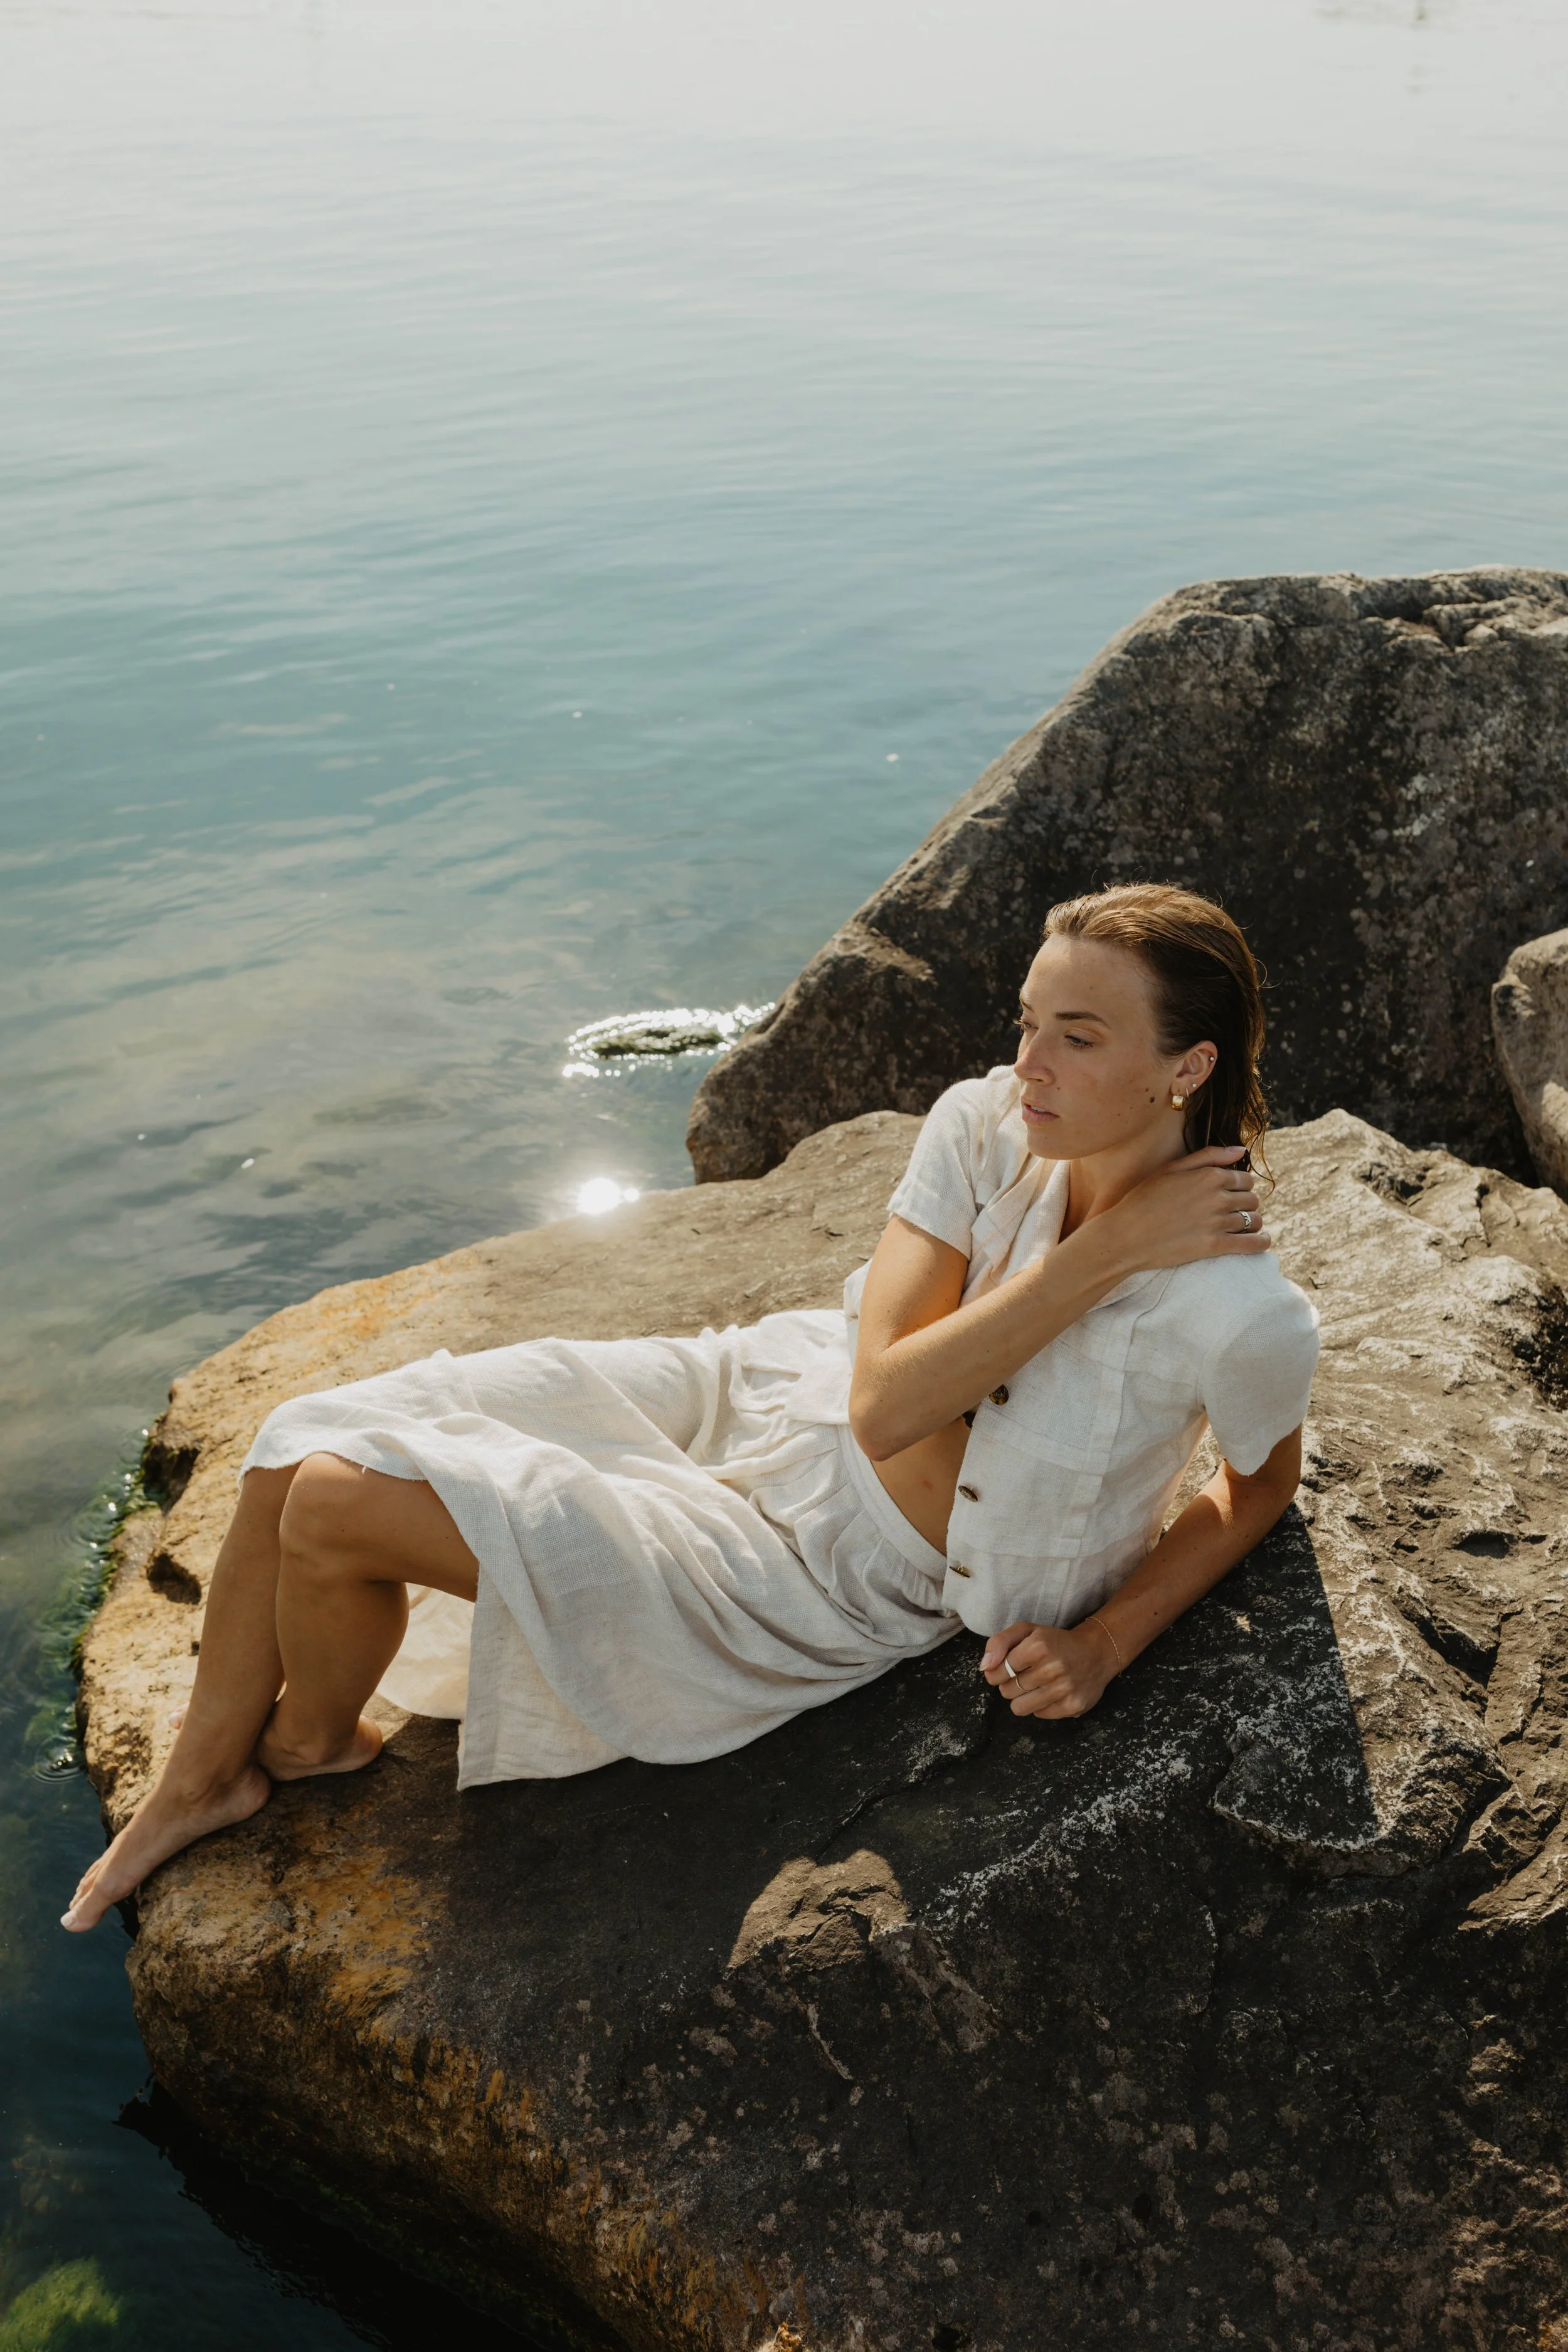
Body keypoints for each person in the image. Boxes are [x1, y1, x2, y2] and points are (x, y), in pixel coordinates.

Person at [63, 882, 1317, 1932]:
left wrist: (1106, 1644)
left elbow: (1259, 1486)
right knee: (301, 1439)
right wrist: (1101, 1251)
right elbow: (878, 1389)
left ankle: (302, 1749)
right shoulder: (985, 1123)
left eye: (1077, 1039)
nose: (1027, 1064)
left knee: (338, 1504)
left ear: (1187, 1067)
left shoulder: (1239, 1314)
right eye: (1028, 1022)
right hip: (766, 1390)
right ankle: (201, 1782)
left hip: (812, 1574)